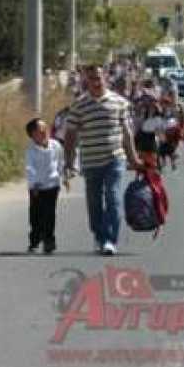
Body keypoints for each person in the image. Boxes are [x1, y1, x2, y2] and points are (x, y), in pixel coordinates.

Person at [63, 64, 143, 256]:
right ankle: (99, 236)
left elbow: (127, 133)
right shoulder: (79, 105)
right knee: (94, 202)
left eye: (99, 78)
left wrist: (134, 159)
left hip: (115, 159)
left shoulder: (119, 102)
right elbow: (70, 135)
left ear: (105, 78)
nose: (96, 82)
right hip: (90, 161)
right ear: (86, 82)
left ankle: (110, 240)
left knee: (114, 197)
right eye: (92, 79)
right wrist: (69, 161)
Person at [25, 118, 69, 254]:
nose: (45, 132)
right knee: (36, 215)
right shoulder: (31, 150)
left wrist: (65, 177)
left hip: (52, 185)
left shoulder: (55, 145)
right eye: (40, 130)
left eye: (46, 129)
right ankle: (35, 240)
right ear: (32, 134)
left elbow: (61, 162)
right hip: (37, 188)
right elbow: (30, 168)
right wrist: (34, 184)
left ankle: (49, 241)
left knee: (50, 214)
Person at [134, 99, 164, 170]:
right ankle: (141, 170)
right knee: (142, 156)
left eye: (153, 108)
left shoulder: (158, 119)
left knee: (153, 156)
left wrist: (160, 137)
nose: (151, 110)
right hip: (143, 137)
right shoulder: (144, 117)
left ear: (156, 110)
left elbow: (159, 130)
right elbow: (140, 126)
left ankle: (157, 167)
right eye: (150, 108)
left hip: (152, 137)